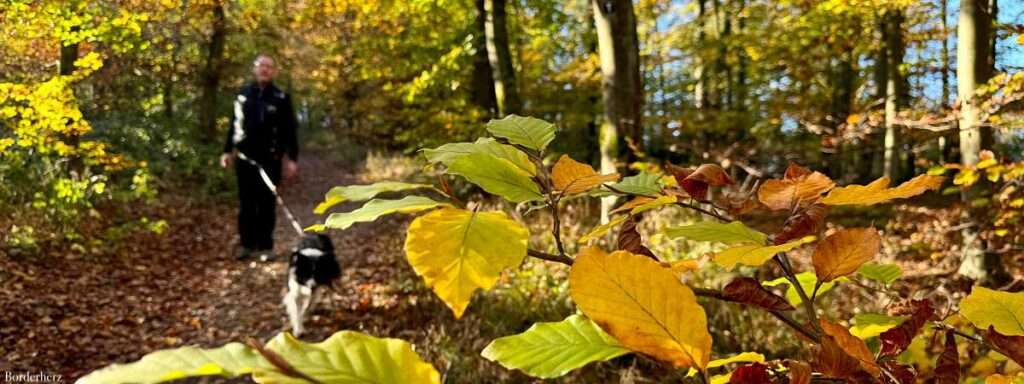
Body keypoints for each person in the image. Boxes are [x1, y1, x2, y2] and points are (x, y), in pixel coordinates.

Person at [220, 54, 299, 260]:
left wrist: (292, 158)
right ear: (255, 69)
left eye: (269, 66)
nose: (264, 69)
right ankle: (246, 245)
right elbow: (233, 126)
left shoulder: (281, 97)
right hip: (245, 159)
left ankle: (266, 246)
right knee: (246, 204)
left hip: (270, 160)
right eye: (261, 65)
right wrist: (227, 151)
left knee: (266, 204)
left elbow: (290, 130)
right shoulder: (243, 95)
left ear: (274, 71)